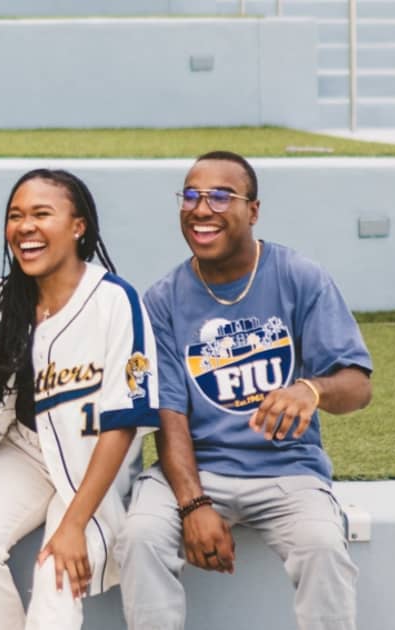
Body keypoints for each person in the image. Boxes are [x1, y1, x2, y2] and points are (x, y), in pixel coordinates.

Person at [117, 151, 373, 630]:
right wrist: (194, 504)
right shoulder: (163, 299)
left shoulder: (299, 276)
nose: (201, 209)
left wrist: (311, 390)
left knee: (322, 546)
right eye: (190, 196)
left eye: (220, 196)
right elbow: (169, 415)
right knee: (140, 537)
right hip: (197, 469)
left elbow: (358, 386)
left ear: (253, 210)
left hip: (288, 469)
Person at [0, 169, 160, 629]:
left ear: (78, 226)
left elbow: (123, 424)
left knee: (56, 573)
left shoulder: (115, 300)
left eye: (41, 214)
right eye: (15, 216)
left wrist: (73, 525)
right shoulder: (7, 296)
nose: (24, 226)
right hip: (26, 450)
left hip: (93, 462)